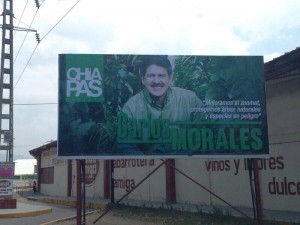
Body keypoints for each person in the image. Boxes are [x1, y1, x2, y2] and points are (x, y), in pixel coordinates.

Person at [119, 55, 203, 155]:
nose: (156, 81)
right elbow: (126, 147)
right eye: (151, 76)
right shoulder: (130, 109)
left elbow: (210, 134)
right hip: (148, 168)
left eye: (161, 76)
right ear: (143, 79)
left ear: (170, 78)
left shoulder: (190, 100)